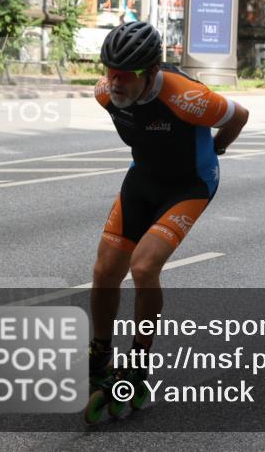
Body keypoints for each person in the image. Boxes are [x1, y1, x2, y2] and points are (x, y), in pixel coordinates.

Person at [86, 22, 249, 413]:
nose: (116, 82)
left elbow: (239, 116)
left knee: (143, 267)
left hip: (189, 185)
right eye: (110, 70)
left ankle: (139, 361)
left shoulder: (188, 98)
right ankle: (100, 353)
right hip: (144, 178)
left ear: (153, 73)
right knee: (105, 268)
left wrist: (217, 149)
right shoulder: (106, 93)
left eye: (127, 74)